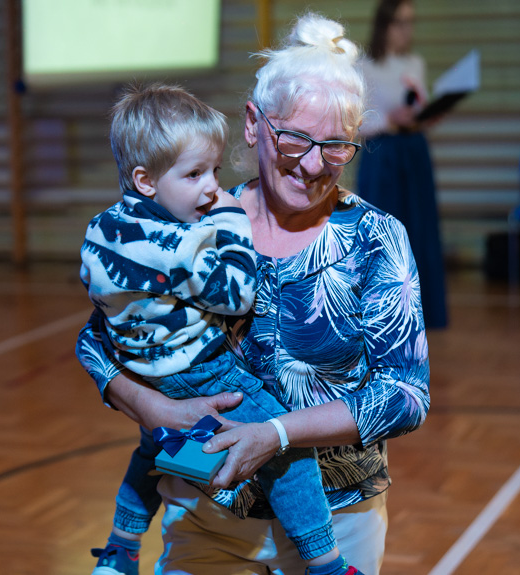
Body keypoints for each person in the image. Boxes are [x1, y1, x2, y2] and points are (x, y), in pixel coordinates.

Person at [77, 13, 431, 575]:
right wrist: (153, 406)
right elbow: (102, 337)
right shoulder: (190, 217)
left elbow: (407, 395)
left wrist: (279, 433)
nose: (315, 165)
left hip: (338, 524)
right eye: (295, 139)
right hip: (204, 513)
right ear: (253, 124)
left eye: (337, 147)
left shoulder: (374, 237)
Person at [356, 0, 448, 329]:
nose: (406, 30)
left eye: (411, 22)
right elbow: (357, 122)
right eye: (400, 23)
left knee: (420, 228)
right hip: (382, 154)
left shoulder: (415, 63)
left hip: (414, 150)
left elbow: (417, 108)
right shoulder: (365, 66)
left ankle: (424, 313)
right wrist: (389, 120)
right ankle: (383, 314)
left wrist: (426, 115)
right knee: (383, 233)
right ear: (384, 25)